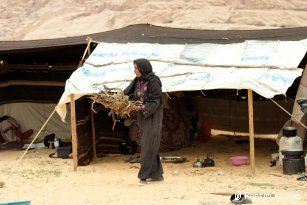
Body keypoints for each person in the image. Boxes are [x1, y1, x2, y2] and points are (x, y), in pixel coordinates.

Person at [124, 58, 164, 184]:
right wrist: (120, 100)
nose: (134, 70)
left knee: (148, 145)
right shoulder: (137, 80)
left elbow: (156, 101)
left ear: (143, 68)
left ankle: (143, 176)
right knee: (149, 144)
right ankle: (157, 175)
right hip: (143, 115)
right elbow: (127, 93)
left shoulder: (154, 81)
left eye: (136, 68)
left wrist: (139, 107)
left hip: (153, 115)